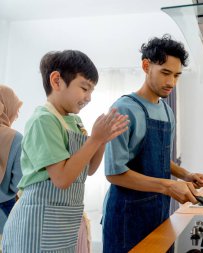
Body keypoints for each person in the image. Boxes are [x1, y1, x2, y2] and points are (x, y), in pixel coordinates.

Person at [2, 50, 129, 253]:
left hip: (61, 222)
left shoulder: (75, 122)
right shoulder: (43, 120)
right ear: (56, 81)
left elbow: (88, 170)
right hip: (36, 223)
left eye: (92, 91)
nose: (88, 97)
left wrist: (102, 141)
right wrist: (95, 138)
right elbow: (61, 179)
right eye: (84, 88)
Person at [102, 34, 203, 253]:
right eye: (165, 73)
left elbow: (160, 159)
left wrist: (185, 175)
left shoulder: (167, 111)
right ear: (146, 66)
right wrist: (169, 186)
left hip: (158, 212)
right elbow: (114, 173)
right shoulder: (123, 109)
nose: (171, 82)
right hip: (126, 216)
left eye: (177, 75)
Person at [0, 85, 23, 233]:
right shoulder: (15, 138)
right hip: (5, 213)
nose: (17, 114)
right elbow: (19, 183)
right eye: (17, 108)